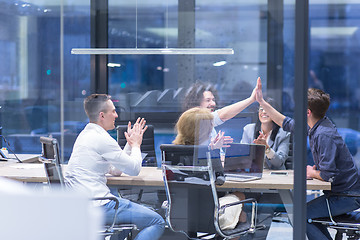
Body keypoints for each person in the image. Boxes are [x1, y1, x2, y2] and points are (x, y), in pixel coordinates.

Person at [255, 78, 360, 240]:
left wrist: (312, 171)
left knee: (300, 216)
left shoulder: (324, 135)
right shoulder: (317, 125)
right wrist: (262, 101)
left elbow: (327, 175)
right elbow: (285, 122)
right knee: (306, 216)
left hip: (348, 197)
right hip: (341, 193)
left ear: (307, 112)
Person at [64, 94, 165, 240]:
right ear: (102, 115)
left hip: (82, 206)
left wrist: (130, 145)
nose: (116, 115)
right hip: (100, 206)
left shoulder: (85, 135)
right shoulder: (102, 139)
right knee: (157, 221)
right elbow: (134, 169)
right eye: (113, 111)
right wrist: (136, 144)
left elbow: (116, 170)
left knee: (125, 227)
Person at [173, 107, 247, 231]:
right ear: (203, 130)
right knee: (240, 201)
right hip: (208, 216)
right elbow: (220, 179)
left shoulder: (173, 151)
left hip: (179, 215)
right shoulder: (205, 153)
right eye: (209, 126)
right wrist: (214, 152)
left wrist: (211, 149)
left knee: (240, 216)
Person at [183, 81, 257, 138]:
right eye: (208, 100)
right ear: (196, 102)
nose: (213, 104)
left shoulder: (211, 128)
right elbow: (222, 115)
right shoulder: (194, 119)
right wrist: (251, 99)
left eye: (213, 100)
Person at [240, 97, 290, 170]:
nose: (263, 112)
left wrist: (267, 149)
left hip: (275, 176)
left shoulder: (283, 134)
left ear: (275, 113)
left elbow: (279, 162)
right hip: (253, 173)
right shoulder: (248, 130)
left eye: (267, 109)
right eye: (261, 109)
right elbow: (242, 156)